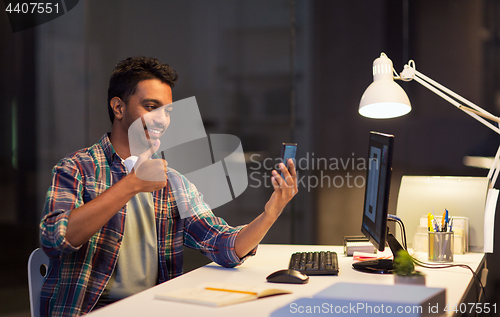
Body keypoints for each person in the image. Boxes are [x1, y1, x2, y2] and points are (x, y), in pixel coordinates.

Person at [39, 56, 298, 316]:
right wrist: (130, 185)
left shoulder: (172, 182)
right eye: (151, 107)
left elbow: (224, 246)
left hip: (153, 308)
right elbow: (55, 239)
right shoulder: (77, 168)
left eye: (168, 111)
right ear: (118, 108)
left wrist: (271, 212)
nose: (162, 120)